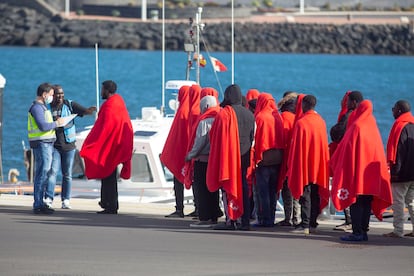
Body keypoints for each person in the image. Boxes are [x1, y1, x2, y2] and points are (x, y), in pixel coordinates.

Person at [330, 99, 392, 242]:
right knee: (366, 203)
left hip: (357, 174)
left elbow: (347, 149)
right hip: (370, 176)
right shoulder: (373, 127)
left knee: (356, 203)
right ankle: (363, 231)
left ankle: (357, 232)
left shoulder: (357, 126)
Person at [80, 80, 133, 214]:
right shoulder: (118, 102)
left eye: (102, 89)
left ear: (107, 90)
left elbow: (105, 128)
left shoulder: (110, 105)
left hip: (110, 147)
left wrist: (92, 144)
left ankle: (110, 205)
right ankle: (107, 203)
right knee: (109, 176)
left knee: (108, 177)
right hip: (115, 145)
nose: (101, 92)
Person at [208, 84, 255, 231]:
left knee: (227, 188)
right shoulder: (250, 114)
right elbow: (252, 136)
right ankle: (245, 220)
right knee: (243, 189)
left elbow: (215, 136)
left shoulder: (224, 114)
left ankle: (231, 220)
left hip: (228, 157)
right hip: (244, 156)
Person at [44, 85, 96, 209]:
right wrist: (54, 121)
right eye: (57, 94)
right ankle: (48, 199)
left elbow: (85, 111)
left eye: (62, 93)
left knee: (67, 174)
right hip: (54, 146)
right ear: (52, 95)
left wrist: (91, 110)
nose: (60, 96)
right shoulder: (47, 108)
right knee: (52, 172)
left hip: (69, 146)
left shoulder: (69, 104)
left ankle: (65, 200)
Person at [287, 94, 330, 235]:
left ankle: (305, 224)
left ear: (304, 105)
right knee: (315, 193)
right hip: (318, 165)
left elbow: (297, 147)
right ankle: (312, 222)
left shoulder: (301, 123)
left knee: (305, 194)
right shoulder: (321, 121)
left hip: (305, 164)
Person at [185, 95, 221, 228]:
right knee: (213, 188)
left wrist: (190, 155)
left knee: (202, 189)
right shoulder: (220, 117)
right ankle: (214, 215)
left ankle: (204, 217)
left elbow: (200, 142)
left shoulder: (205, 121)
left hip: (203, 159)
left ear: (205, 107)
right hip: (216, 159)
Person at [329, 91, 363, 231]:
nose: (345, 102)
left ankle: (350, 221)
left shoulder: (348, 115)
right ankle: (354, 221)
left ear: (354, 102)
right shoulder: (362, 117)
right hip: (356, 157)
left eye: (347, 100)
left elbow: (337, 133)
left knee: (346, 187)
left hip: (345, 156)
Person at [28, 82, 64, 214]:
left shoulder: (43, 107)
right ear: (44, 94)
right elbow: (43, 126)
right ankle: (38, 204)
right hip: (42, 144)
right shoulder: (37, 108)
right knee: (42, 174)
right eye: (51, 94)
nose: (52, 97)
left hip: (46, 143)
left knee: (44, 173)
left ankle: (40, 202)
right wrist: (56, 123)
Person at [383, 100, 414, 238]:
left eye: (394, 108)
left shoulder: (400, 127)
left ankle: (398, 230)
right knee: (412, 202)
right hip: (413, 173)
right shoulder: (412, 124)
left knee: (398, 202)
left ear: (399, 110)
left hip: (402, 174)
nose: (392, 111)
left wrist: (395, 173)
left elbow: (399, 151)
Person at [253, 93, 284, 227]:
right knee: (273, 191)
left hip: (264, 159)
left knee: (263, 192)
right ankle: (271, 217)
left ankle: (264, 219)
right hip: (277, 159)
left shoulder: (260, 117)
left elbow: (256, 139)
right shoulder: (277, 116)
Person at [160, 85, 191, 218]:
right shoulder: (192, 109)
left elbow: (177, 134)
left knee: (178, 182)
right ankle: (197, 207)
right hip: (191, 153)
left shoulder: (182, 110)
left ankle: (179, 209)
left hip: (181, 153)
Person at [275, 91, 301, 227]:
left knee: (286, 190)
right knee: (296, 189)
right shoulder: (298, 118)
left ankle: (288, 217)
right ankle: (296, 217)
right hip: (296, 158)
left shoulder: (283, 117)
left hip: (285, 158)